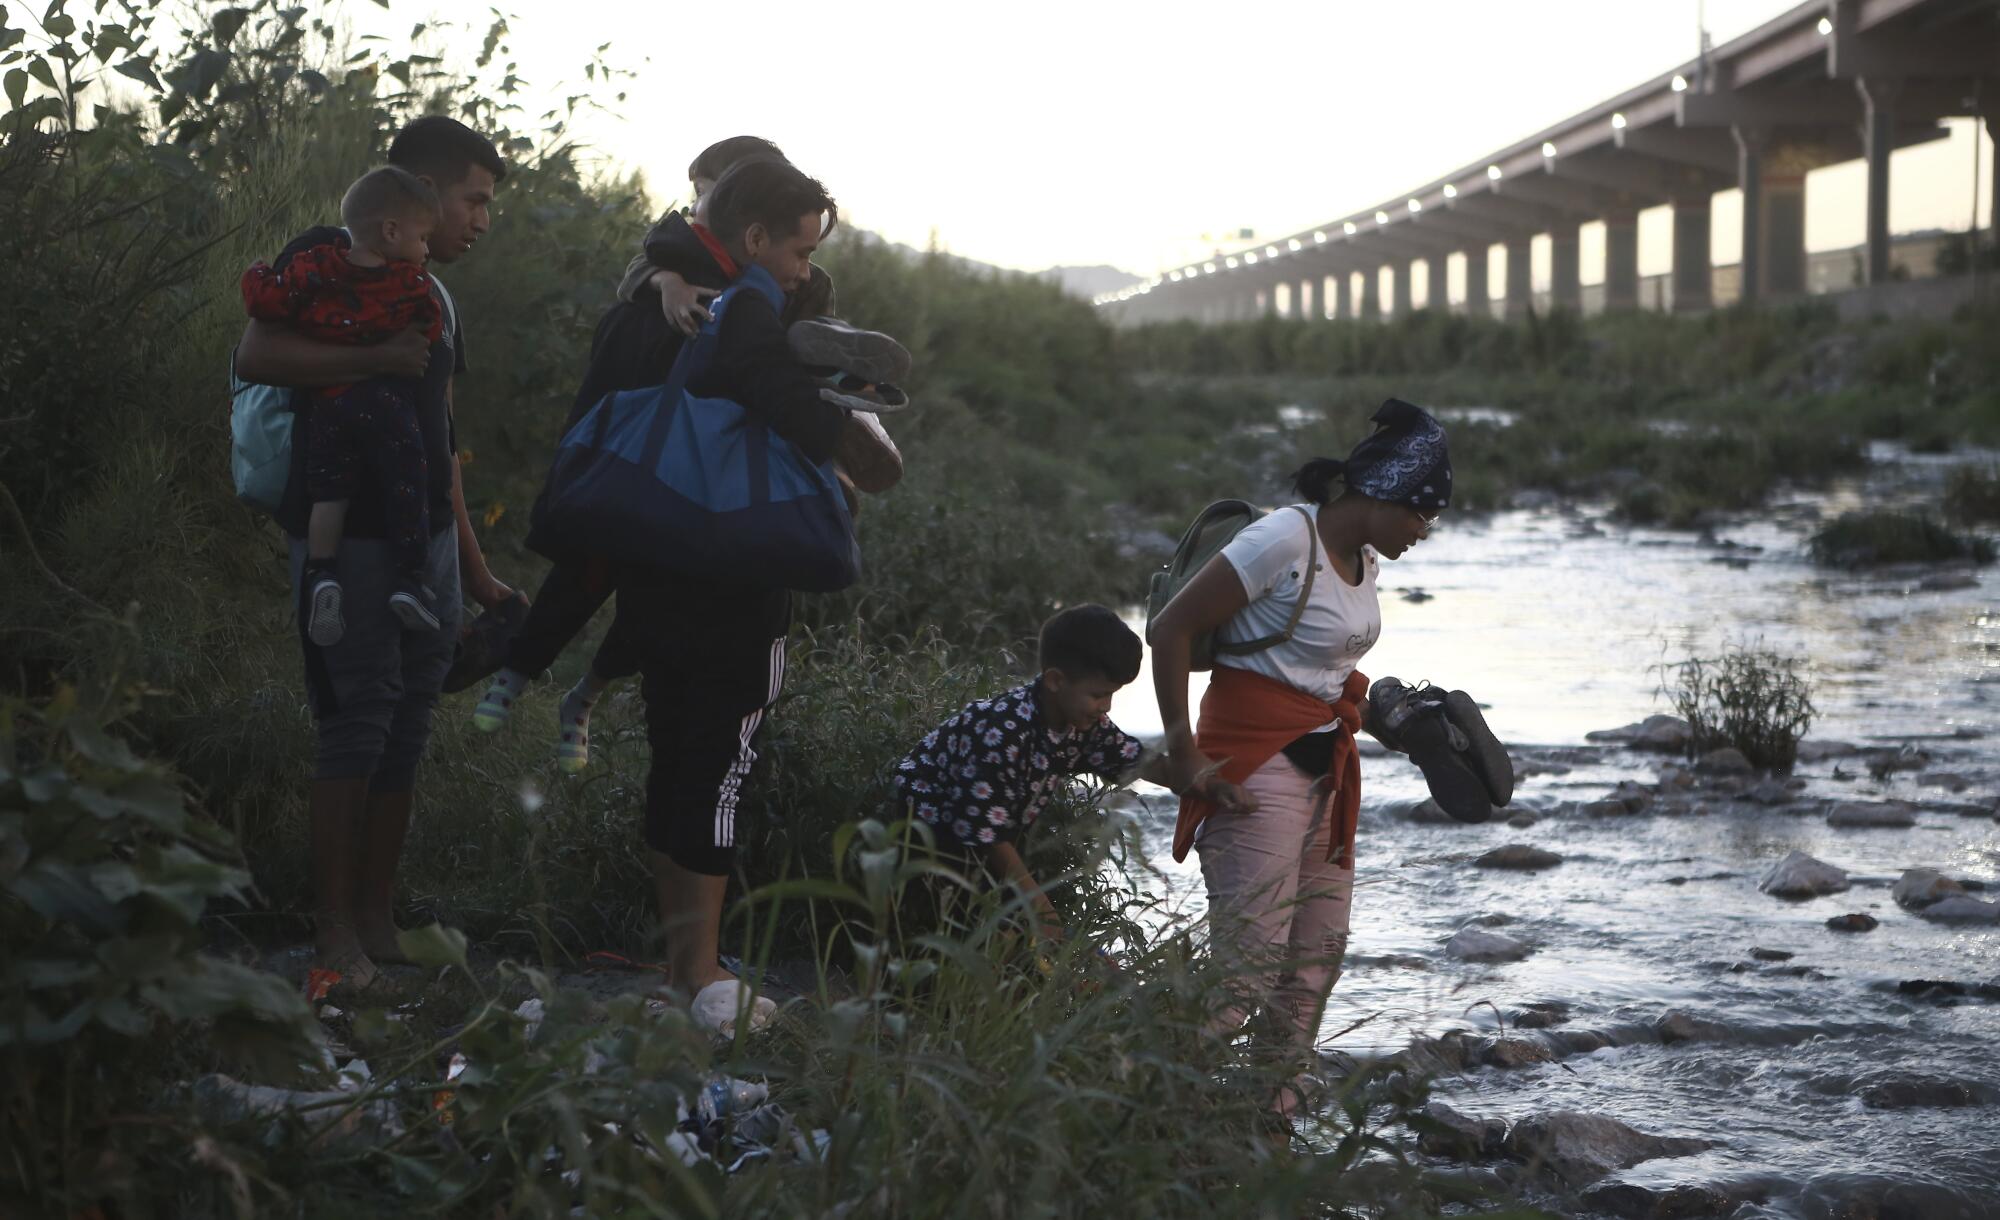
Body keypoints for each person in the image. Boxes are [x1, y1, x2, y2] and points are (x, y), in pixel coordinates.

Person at [524, 156, 846, 1030]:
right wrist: (851, 418)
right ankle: (703, 975)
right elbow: (810, 423)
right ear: (753, 236)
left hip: (650, 567)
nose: (805, 268)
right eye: (799, 249)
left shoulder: (649, 304)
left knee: (676, 765)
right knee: (719, 771)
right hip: (736, 579)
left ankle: (680, 971)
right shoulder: (746, 316)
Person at [476, 137, 902, 773]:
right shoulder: (676, 251)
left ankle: (583, 692)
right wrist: (666, 281)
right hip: (655, 431)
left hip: (720, 451)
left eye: (712, 186)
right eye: (700, 188)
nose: (702, 201)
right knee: (599, 559)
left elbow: (787, 361)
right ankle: (521, 669)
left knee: (655, 586)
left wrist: (833, 384)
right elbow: (645, 273)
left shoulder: (786, 278)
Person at [231, 116, 515, 992]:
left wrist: (474, 571)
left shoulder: (433, 289)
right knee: (356, 717)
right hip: (346, 540)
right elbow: (258, 350)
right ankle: (331, 937)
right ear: (420, 196)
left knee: (409, 718)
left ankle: (377, 918)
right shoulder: (331, 261)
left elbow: (443, 439)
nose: (480, 220)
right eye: (473, 201)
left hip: (423, 537)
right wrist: (376, 352)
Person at [1147, 399, 1451, 1115]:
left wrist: (1397, 722)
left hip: (1325, 766)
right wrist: (1184, 753)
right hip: (1253, 764)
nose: (1423, 530)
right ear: (1378, 492)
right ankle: (1156, 1115)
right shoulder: (1284, 538)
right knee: (1245, 973)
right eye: (1419, 512)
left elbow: (1316, 672)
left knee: (1315, 958)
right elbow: (1171, 628)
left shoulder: (1365, 558)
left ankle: (1268, 1120)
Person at [240, 166, 446, 645]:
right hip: (385, 406)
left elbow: (266, 302)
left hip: (330, 405)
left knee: (329, 492)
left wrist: (255, 272)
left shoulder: (316, 266)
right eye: (423, 238)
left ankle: (322, 572)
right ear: (392, 232)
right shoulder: (410, 283)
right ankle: (411, 579)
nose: (426, 251)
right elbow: (429, 332)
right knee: (406, 478)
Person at [892, 605, 1180, 945]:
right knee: (950, 924)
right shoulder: (1003, 731)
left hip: (990, 833)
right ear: (1056, 680)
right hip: (927, 833)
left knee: (1007, 923)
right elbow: (986, 835)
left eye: (1113, 694)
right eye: (1099, 694)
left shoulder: (1082, 724)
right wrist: (1039, 908)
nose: (1107, 707)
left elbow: (1136, 759)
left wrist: (1205, 780)